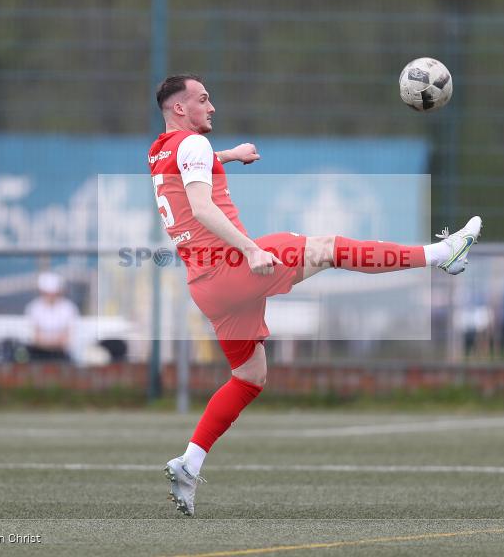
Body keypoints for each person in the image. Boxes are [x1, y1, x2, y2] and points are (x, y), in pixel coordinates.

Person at [151, 74, 482, 516]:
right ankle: (441, 253)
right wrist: (250, 249)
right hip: (230, 266)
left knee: (249, 377)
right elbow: (202, 206)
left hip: (205, 285)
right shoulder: (191, 148)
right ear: (179, 108)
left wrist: (228, 155)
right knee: (327, 248)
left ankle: (190, 463)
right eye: (204, 100)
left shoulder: (160, 149)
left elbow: (189, 168)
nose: (212, 107)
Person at [24, 272, 80, 362]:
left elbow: (66, 339)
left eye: (53, 293)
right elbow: (35, 338)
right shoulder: (34, 307)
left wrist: (46, 342)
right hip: (38, 354)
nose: (50, 296)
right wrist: (53, 342)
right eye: (48, 293)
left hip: (62, 355)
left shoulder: (69, 308)